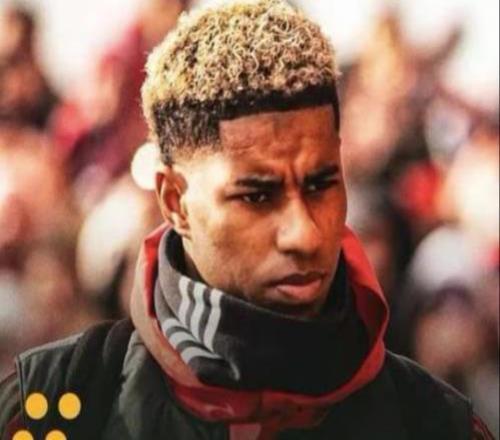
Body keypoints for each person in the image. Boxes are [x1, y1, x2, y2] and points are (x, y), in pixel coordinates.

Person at [0, 0, 494, 438]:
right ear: (175, 201)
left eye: (321, 185)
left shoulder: (434, 423)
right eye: (257, 196)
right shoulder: (51, 412)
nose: (304, 233)